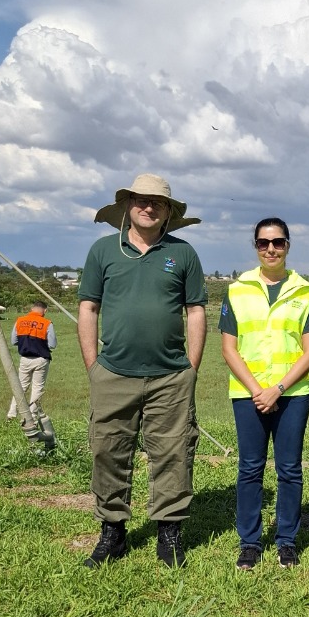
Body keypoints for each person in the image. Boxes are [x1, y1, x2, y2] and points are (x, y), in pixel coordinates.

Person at [77, 173, 207, 569]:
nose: (149, 207)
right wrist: (93, 367)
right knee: (108, 451)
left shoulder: (182, 253)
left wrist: (191, 368)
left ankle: (169, 533)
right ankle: (112, 532)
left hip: (170, 376)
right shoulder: (103, 251)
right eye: (141, 200)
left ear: (168, 211)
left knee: (173, 453)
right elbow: (89, 308)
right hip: (113, 373)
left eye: (158, 202)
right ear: (129, 204)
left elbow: (196, 310)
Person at [220, 218, 309, 570]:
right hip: (248, 395)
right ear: (255, 246)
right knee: (250, 468)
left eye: (278, 242)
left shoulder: (305, 292)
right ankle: (249, 542)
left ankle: (286, 541)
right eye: (263, 243)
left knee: (289, 469)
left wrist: (277, 389)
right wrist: (257, 390)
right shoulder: (236, 290)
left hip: (292, 394)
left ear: (288, 245)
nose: (271, 249)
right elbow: (229, 349)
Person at [7, 300, 57, 421]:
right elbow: (52, 345)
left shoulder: (20, 321)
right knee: (37, 388)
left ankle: (11, 414)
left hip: (25, 359)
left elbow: (13, 341)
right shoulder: (47, 323)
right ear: (45, 310)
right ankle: (31, 416)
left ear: (32, 308)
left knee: (21, 387)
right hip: (41, 359)